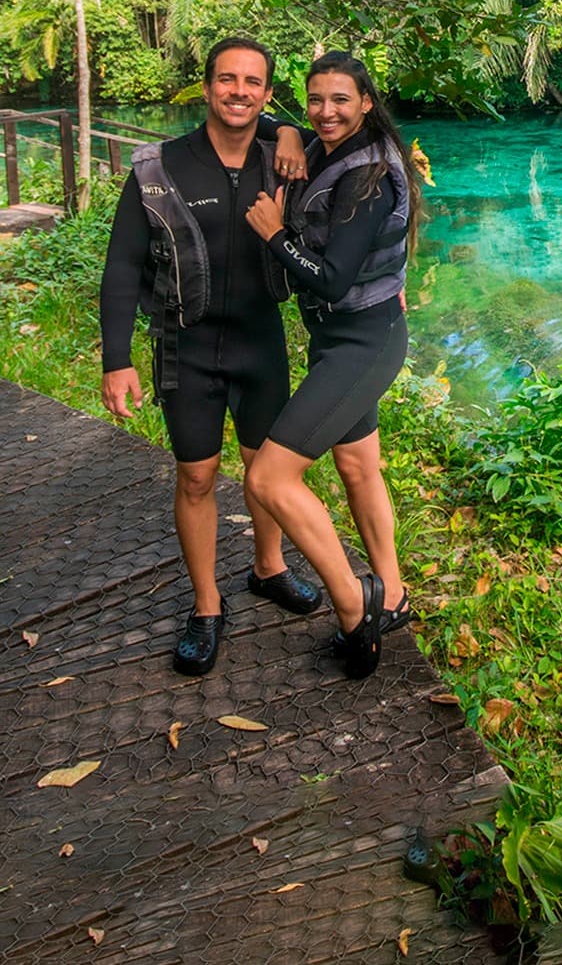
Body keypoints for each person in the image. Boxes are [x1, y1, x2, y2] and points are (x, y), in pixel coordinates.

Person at [99, 36, 325, 677]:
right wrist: (118, 359)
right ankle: (205, 605)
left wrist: (283, 131)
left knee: (268, 474)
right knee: (197, 477)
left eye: (253, 82)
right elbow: (121, 268)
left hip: (261, 343)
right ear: (206, 87)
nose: (238, 91)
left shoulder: (286, 159)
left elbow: (342, 132)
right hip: (185, 347)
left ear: (266, 93)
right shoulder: (158, 168)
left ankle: (268, 567)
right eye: (227, 79)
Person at [242, 51, 418, 680]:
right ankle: (393, 591)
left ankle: (354, 607)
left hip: (363, 342)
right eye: (315, 100)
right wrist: (286, 129)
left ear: (366, 102)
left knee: (268, 480)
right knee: (357, 465)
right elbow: (256, 120)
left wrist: (274, 234)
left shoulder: (367, 177)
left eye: (340, 100)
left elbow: (338, 277)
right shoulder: (325, 145)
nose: (326, 112)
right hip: (342, 338)